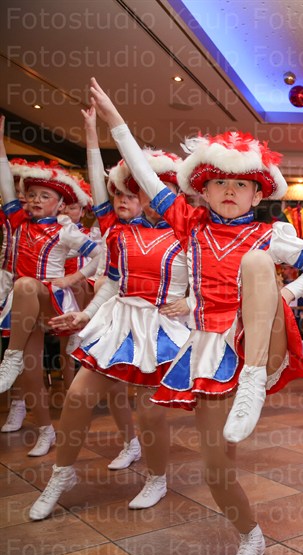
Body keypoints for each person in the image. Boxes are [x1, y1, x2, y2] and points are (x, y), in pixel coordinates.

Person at [90, 77, 303, 555]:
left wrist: (286, 295)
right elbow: (146, 177)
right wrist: (116, 124)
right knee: (217, 468)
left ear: (257, 193)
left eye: (241, 184)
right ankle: (250, 535)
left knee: (259, 265)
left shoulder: (269, 234)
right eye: (220, 183)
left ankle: (253, 379)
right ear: (203, 190)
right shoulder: (189, 224)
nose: (229, 191)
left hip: (260, 338)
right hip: (207, 347)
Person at [28, 106, 193, 520]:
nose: (148, 197)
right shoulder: (119, 231)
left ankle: (156, 477)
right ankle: (61, 474)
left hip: (162, 329)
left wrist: (190, 303)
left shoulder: (190, 234)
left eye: (158, 190)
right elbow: (113, 283)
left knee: (149, 412)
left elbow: (214, 285)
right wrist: (85, 316)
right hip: (118, 323)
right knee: (78, 397)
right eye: (142, 190)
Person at [0, 117, 103, 457]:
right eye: (31, 195)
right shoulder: (17, 221)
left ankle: (10, 356)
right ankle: (46, 430)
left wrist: (73, 278)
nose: (35, 200)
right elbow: (5, 182)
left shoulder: (65, 230)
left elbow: (99, 253)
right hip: (24, 303)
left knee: (27, 285)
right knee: (32, 372)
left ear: (60, 204)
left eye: (44, 196)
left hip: (52, 299)